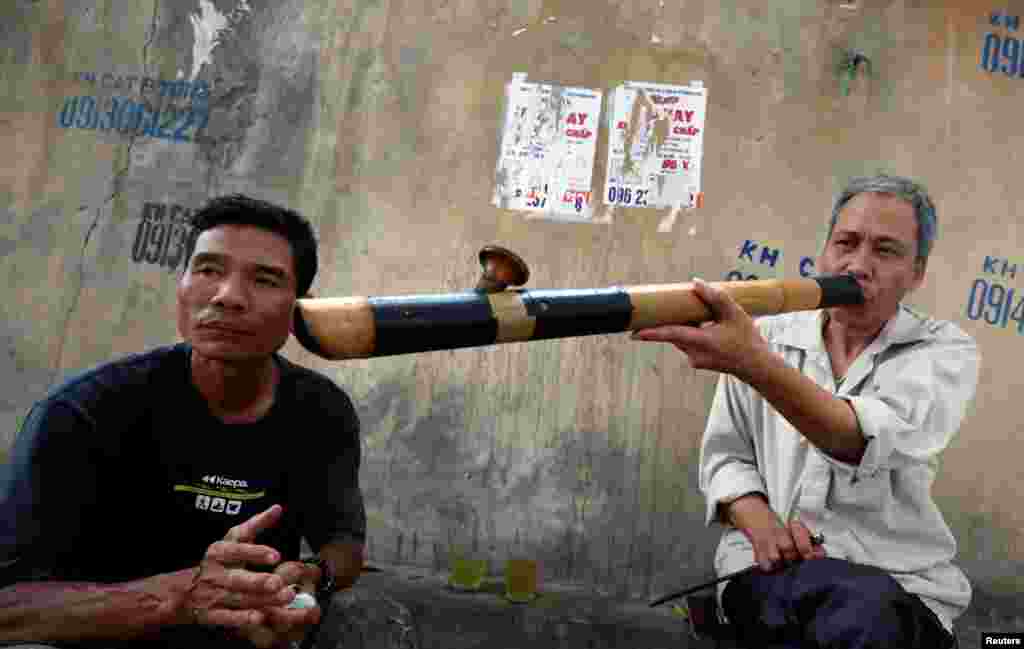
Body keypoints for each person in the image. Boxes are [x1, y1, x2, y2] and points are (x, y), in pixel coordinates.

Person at [0, 194, 367, 648]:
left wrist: (314, 574)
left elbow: (344, 539)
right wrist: (182, 596)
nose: (228, 296)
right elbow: (10, 609)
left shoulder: (321, 411)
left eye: (265, 279)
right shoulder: (83, 413)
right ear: (183, 283)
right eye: (209, 270)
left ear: (301, 309)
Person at [632, 174, 977, 649]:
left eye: (886, 251)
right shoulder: (767, 335)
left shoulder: (943, 352)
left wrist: (754, 363)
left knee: (863, 615)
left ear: (916, 273)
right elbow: (726, 458)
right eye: (846, 243)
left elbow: (858, 439)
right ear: (824, 253)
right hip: (768, 571)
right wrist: (760, 524)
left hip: (896, 583)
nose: (859, 265)